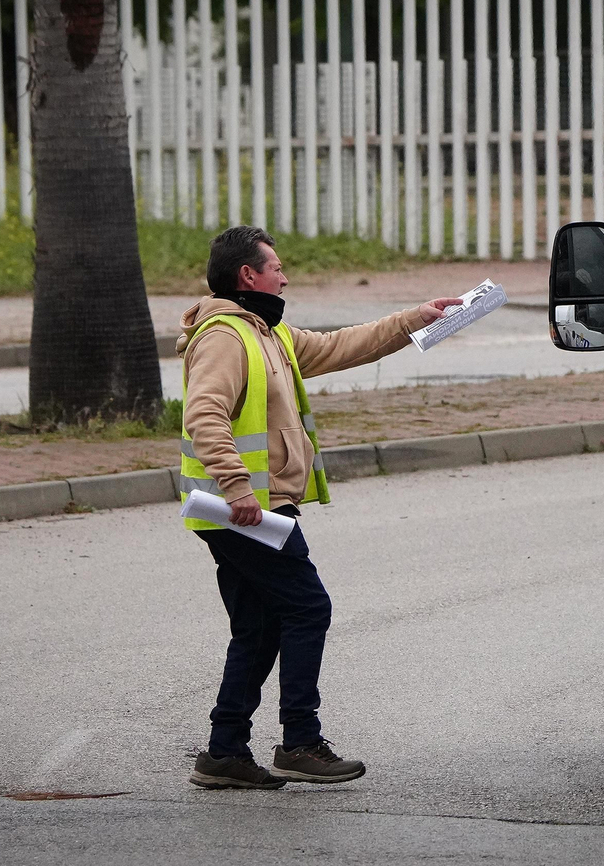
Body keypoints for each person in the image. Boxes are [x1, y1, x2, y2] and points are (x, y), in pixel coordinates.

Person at [179, 225, 461, 790]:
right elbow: (203, 414)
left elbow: (338, 346)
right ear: (247, 276)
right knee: (309, 608)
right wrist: (238, 490)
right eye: (276, 267)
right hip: (243, 511)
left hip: (252, 508)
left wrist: (417, 318)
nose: (285, 276)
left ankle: (224, 751)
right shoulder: (226, 338)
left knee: (258, 628)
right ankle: (300, 741)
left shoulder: (267, 333)